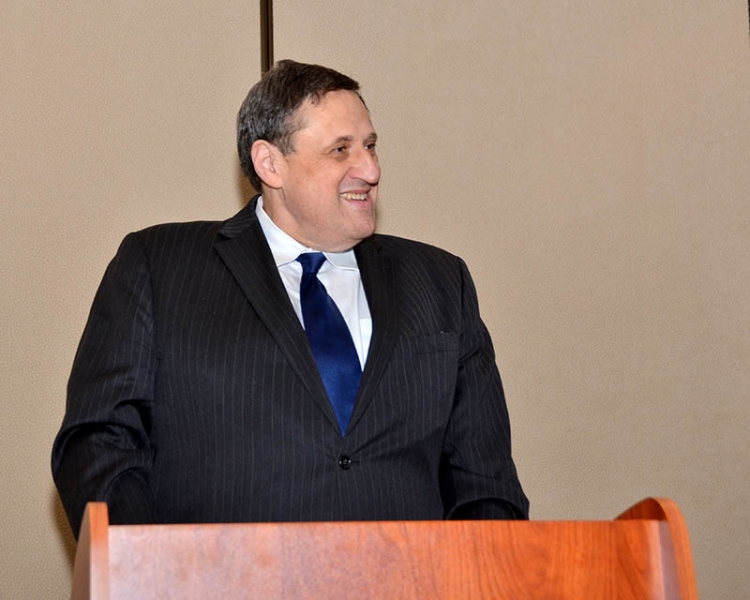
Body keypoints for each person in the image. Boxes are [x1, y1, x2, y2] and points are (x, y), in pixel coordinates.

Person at [52, 59, 529, 538]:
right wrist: (146, 564)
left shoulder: (441, 280)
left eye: (369, 146)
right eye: (340, 150)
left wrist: (483, 569)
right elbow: (99, 443)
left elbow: (485, 481)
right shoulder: (160, 266)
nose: (370, 169)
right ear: (270, 164)